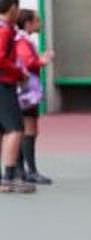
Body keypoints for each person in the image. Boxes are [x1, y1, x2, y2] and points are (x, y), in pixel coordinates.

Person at [14, 9, 55, 184]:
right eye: (37, 21)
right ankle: (29, 170)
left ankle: (19, 169)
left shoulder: (21, 39)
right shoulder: (23, 40)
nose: (40, 24)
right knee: (29, 129)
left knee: (21, 129)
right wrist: (42, 60)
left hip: (21, 90)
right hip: (26, 92)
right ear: (28, 23)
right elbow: (27, 62)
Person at [0, 0, 34, 193]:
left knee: (3, 130)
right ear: (12, 8)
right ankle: (9, 176)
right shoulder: (4, 30)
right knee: (15, 129)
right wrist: (19, 73)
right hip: (4, 83)